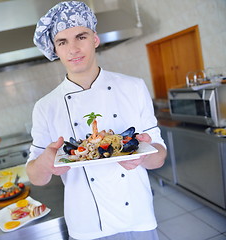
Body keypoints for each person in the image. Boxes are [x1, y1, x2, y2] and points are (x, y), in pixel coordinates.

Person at [26, 1, 167, 240]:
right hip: (87, 225)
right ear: (55, 50)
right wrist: (46, 163)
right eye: (62, 42)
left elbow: (159, 158)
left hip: (137, 216)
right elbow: (36, 177)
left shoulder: (133, 87)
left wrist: (144, 154)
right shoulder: (45, 107)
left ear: (95, 39)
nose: (73, 49)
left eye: (80, 36)